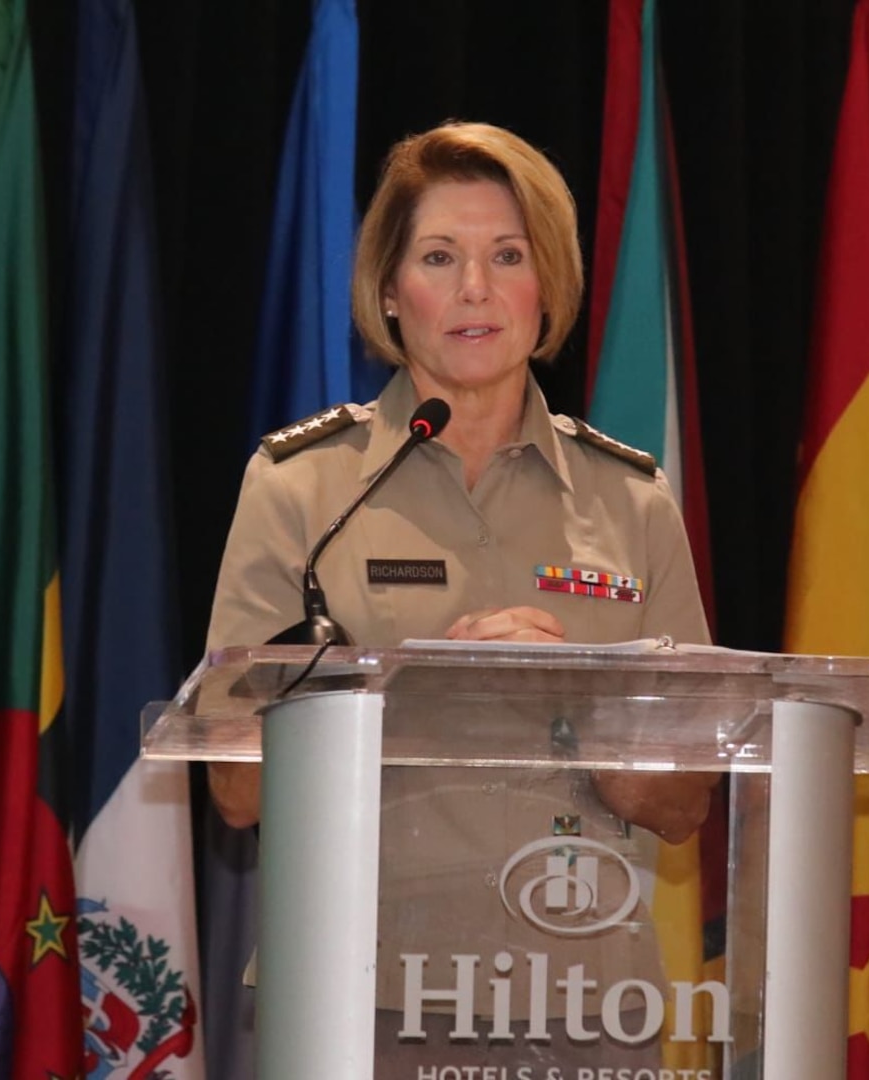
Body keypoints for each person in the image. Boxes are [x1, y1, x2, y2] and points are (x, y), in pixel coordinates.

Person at [204, 120, 725, 1073]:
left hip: (587, 998)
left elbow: (683, 802)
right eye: (440, 256)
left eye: (507, 255)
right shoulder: (304, 492)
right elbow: (236, 787)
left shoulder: (631, 503)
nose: (476, 288)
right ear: (391, 294)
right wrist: (433, 680)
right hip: (360, 994)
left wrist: (570, 695)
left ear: (547, 288)